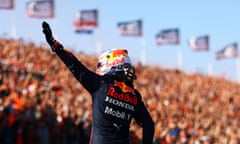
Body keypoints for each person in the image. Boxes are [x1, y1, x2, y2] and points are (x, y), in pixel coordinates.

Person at [41, 21, 154, 144]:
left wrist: (55, 45)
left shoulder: (100, 84)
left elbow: (75, 65)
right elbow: (149, 125)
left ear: (111, 64)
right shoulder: (134, 96)